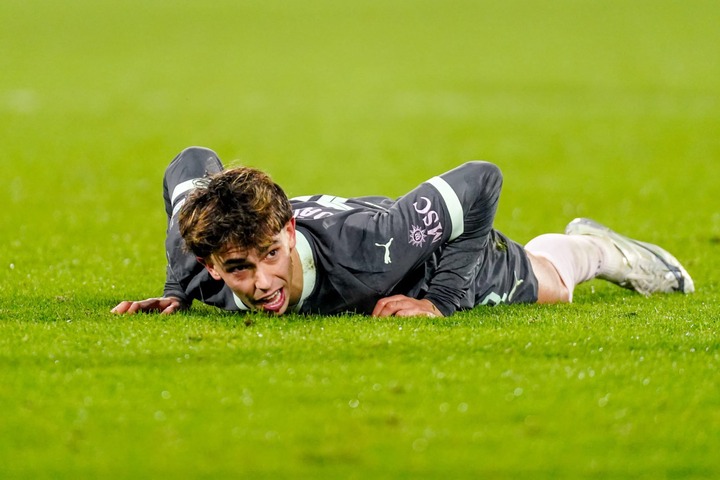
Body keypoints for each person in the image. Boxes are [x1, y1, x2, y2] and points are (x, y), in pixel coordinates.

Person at [111, 147, 694, 317]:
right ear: (211, 262)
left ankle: (599, 247)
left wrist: (438, 302)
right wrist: (175, 290)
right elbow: (190, 161)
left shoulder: (374, 247)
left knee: (552, 284)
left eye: (271, 254)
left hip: (425, 259)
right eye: (239, 268)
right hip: (362, 232)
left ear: (288, 229)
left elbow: (481, 179)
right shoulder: (201, 253)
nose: (263, 282)